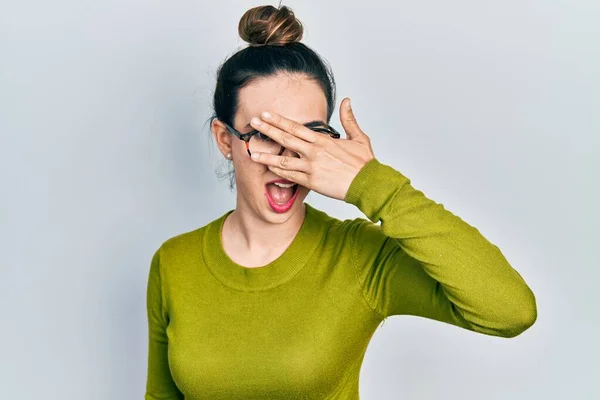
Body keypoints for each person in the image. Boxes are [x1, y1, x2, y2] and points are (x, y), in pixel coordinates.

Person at [144, 4, 537, 399]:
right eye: (265, 133)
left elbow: (509, 311)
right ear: (225, 139)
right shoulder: (173, 262)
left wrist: (374, 185)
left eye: (309, 135)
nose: (289, 157)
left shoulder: (358, 256)